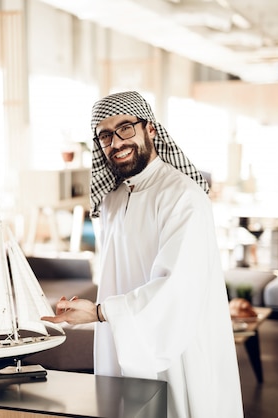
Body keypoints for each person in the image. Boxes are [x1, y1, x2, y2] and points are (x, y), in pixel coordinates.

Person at [42, 91, 243, 418]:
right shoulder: (113, 199)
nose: (116, 142)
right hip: (122, 339)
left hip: (178, 347)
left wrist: (99, 313)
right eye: (105, 135)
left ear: (150, 129)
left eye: (125, 128)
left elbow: (176, 288)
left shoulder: (183, 196)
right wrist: (98, 312)